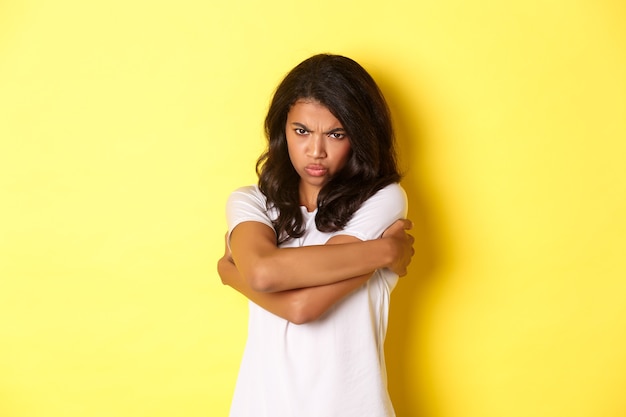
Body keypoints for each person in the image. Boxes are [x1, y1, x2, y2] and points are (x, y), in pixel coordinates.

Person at [217, 53, 414, 417]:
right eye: (302, 131)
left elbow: (302, 307)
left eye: (336, 134)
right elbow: (264, 273)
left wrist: (231, 273)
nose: (316, 151)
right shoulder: (250, 202)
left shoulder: (382, 201)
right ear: (282, 130)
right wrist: (386, 252)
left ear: (359, 136)